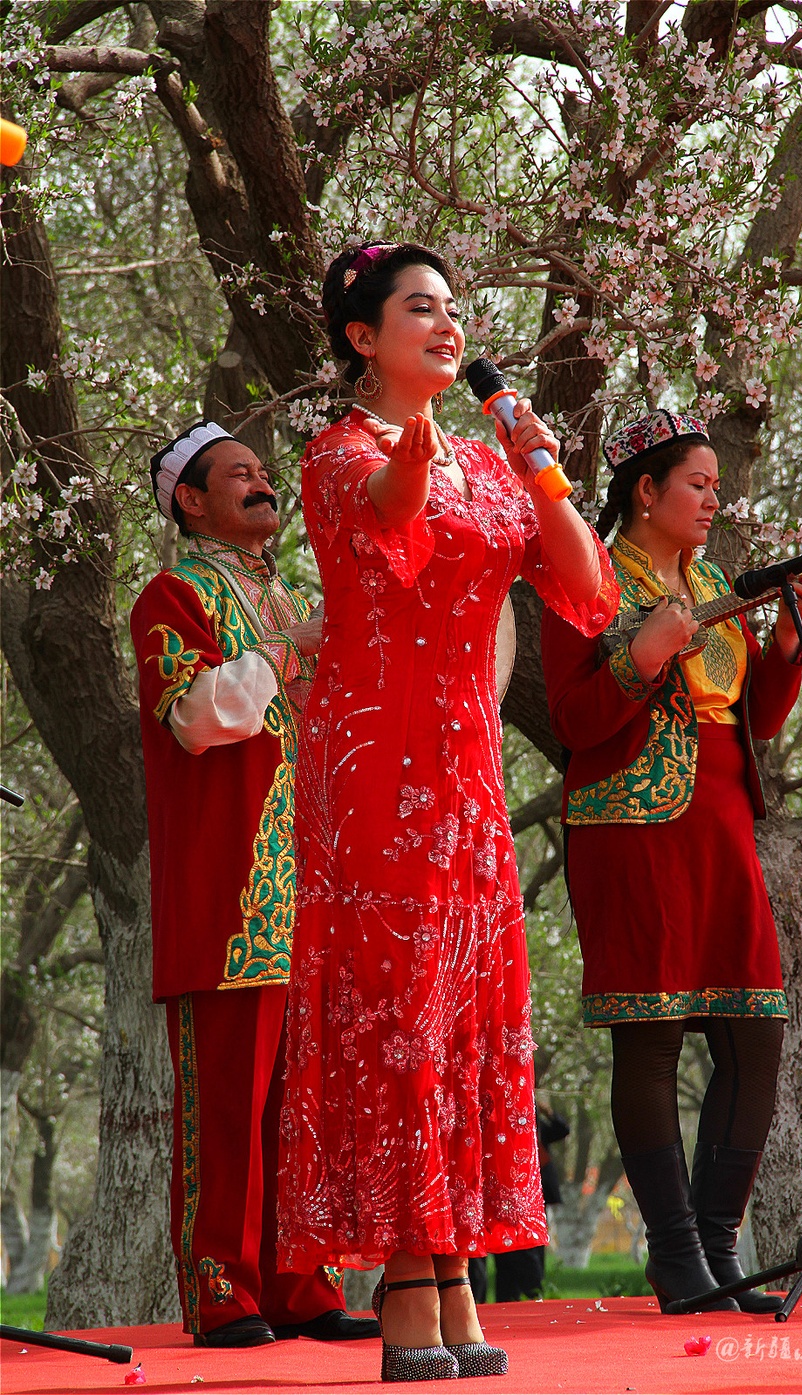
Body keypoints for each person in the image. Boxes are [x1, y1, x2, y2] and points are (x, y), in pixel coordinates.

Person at [276, 241, 619, 1381]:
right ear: (362, 337)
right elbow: (387, 519)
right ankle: (405, 1283)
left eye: (455, 308)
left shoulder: (487, 455)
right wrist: (416, 465)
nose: (448, 323)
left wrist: (541, 470)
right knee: (395, 1009)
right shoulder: (335, 453)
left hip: (466, 767)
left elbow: (582, 590)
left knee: (463, 1011)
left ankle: (456, 1262)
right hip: (375, 767)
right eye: (419, 309)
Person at [540, 409, 802, 1314]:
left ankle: (711, 1246)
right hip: (631, 822)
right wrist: (641, 656)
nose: (714, 498)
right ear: (646, 489)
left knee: (758, 1030)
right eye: (698, 484)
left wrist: (784, 642)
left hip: (722, 823)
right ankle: (674, 1255)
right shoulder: (581, 576)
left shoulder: (714, 583)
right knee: (653, 1030)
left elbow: (760, 717)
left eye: (715, 484)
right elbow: (576, 723)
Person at [131, 422, 378, 1347]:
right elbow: (196, 719)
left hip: (310, 892)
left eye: (265, 472)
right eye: (240, 475)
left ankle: (301, 1283)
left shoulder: (285, 596)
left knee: (303, 1098)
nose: (263, 483)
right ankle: (223, 1289)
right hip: (228, 895)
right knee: (229, 1104)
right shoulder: (172, 594)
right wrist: (288, 651)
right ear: (191, 500)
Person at [492, 1101, 570, 1301]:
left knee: (534, 1241)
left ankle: (536, 1289)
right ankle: (511, 1294)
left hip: (537, 1189)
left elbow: (562, 1130)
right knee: (508, 1246)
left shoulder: (538, 1127)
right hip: (508, 1187)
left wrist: (549, 1111)